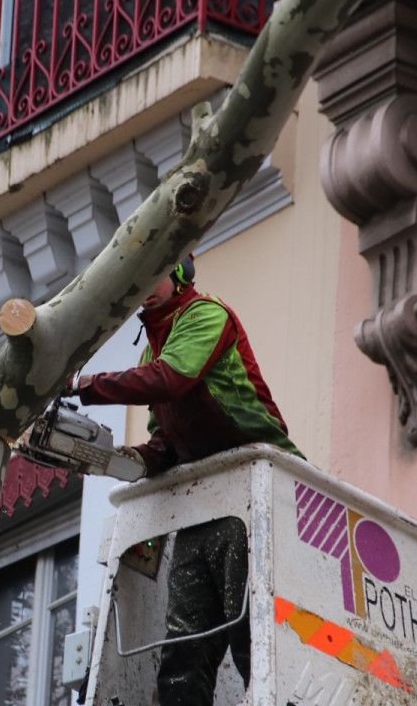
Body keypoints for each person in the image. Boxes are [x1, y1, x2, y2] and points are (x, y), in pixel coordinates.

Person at [65, 254, 303, 704]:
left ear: (180, 275)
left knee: (251, 635)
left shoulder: (206, 316)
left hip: (256, 492)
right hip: (204, 506)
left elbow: (171, 379)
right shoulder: (150, 351)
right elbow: (165, 442)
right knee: (183, 653)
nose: (146, 284)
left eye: (156, 271)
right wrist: (114, 459)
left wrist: (85, 385)